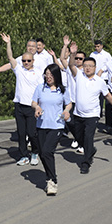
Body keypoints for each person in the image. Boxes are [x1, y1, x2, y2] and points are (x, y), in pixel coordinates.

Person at [68, 41, 112, 174]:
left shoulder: (100, 81)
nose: (88, 68)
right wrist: (73, 54)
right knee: (79, 137)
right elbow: (71, 65)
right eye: (86, 66)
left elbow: (108, 96)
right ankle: (90, 150)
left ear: (95, 67)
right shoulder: (79, 76)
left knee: (88, 137)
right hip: (78, 114)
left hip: (92, 115)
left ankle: (86, 162)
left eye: (90, 66)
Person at [1, 33, 42, 166]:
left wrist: (40, 106)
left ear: (33, 61)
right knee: (21, 133)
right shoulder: (19, 70)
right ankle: (24, 155)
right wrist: (8, 43)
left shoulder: (38, 73)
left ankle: (35, 152)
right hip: (19, 105)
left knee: (32, 133)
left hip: (31, 107)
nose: (26, 63)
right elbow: (10, 57)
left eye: (28, 61)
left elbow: (41, 91)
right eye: (24, 61)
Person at [32, 64, 72, 195]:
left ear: (56, 76)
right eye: (46, 74)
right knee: (42, 153)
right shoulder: (40, 88)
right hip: (42, 125)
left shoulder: (62, 90)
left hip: (57, 125)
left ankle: (52, 181)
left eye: (51, 74)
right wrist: (37, 108)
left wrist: (66, 111)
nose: (48, 77)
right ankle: (49, 178)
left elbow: (69, 104)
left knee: (47, 151)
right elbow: (34, 102)